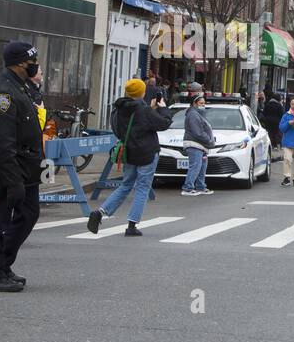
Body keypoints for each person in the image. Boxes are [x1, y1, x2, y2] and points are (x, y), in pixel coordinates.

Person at [86, 79, 174, 238]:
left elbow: (122, 128)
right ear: (143, 92)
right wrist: (163, 108)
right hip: (147, 152)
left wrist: (151, 109)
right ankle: (132, 225)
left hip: (128, 152)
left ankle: (100, 212)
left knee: (125, 185)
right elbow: (164, 123)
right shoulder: (144, 110)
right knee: (142, 188)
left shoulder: (119, 109)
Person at [0, 42, 44, 292]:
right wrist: (13, 180)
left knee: (29, 214)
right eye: (31, 62)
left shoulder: (22, 87)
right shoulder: (4, 93)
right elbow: (3, 141)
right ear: (18, 64)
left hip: (27, 168)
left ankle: (4, 265)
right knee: (2, 221)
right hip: (10, 169)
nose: (35, 66)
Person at [181, 92, 216, 196]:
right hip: (195, 144)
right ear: (194, 104)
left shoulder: (198, 114)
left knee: (202, 167)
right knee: (196, 166)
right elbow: (198, 133)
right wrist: (209, 141)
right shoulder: (193, 115)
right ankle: (188, 188)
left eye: (204, 103)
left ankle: (200, 186)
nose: (203, 105)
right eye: (201, 103)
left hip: (201, 146)